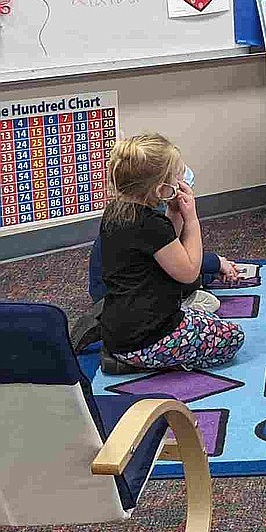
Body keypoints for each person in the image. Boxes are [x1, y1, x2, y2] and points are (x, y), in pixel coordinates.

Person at [98, 133, 244, 374]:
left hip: (120, 330)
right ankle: (139, 362)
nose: (180, 179)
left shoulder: (117, 213)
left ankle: (127, 356)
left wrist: (174, 213)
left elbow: (166, 247)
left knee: (206, 317)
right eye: (176, 175)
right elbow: (188, 272)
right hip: (146, 337)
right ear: (161, 187)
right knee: (232, 337)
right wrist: (192, 220)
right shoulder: (150, 225)